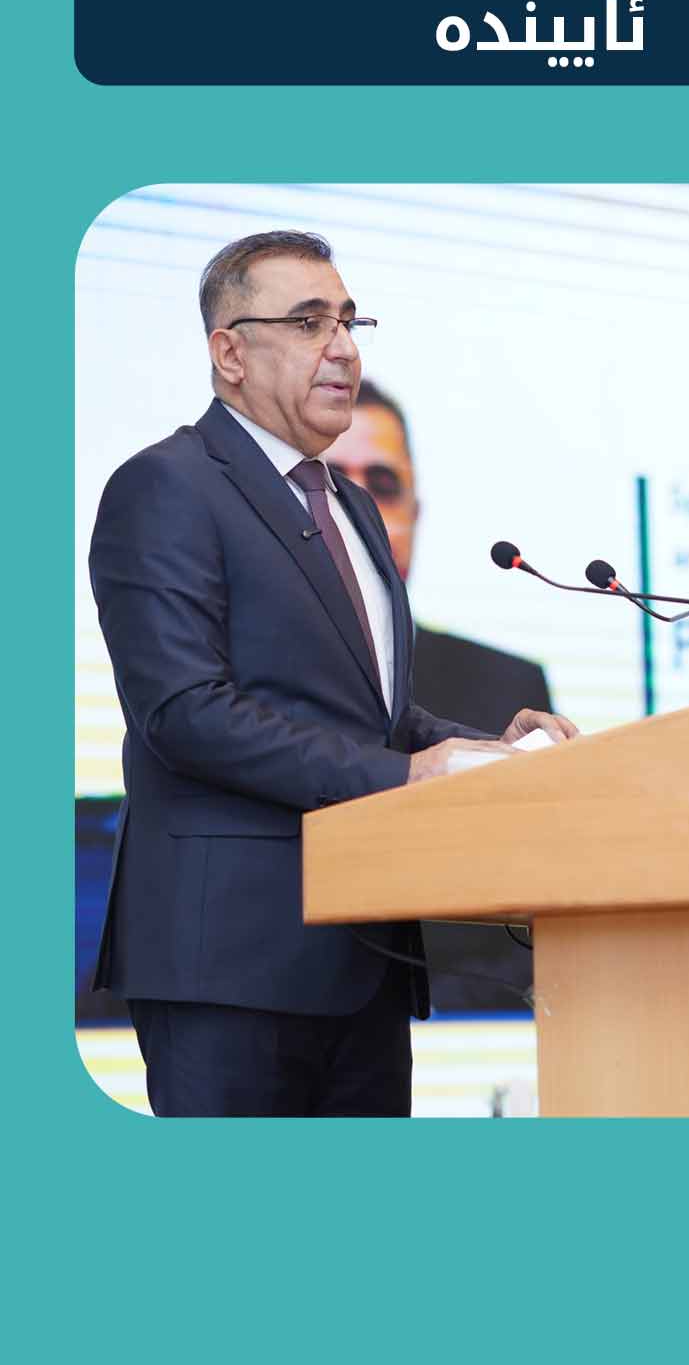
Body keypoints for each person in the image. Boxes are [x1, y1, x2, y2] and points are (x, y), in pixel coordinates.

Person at [89, 230, 576, 1116]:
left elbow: (370, 713)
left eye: (350, 321)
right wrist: (406, 775)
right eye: (310, 322)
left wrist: (483, 749)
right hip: (229, 962)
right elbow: (186, 713)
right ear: (229, 353)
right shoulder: (166, 486)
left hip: (364, 961)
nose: (344, 347)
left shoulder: (349, 503)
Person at [329, 382, 554, 1011]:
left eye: (382, 486)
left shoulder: (507, 686)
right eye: (335, 485)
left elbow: (531, 912)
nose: (363, 509)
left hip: (463, 1019)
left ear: (416, 516)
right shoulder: (246, 672)